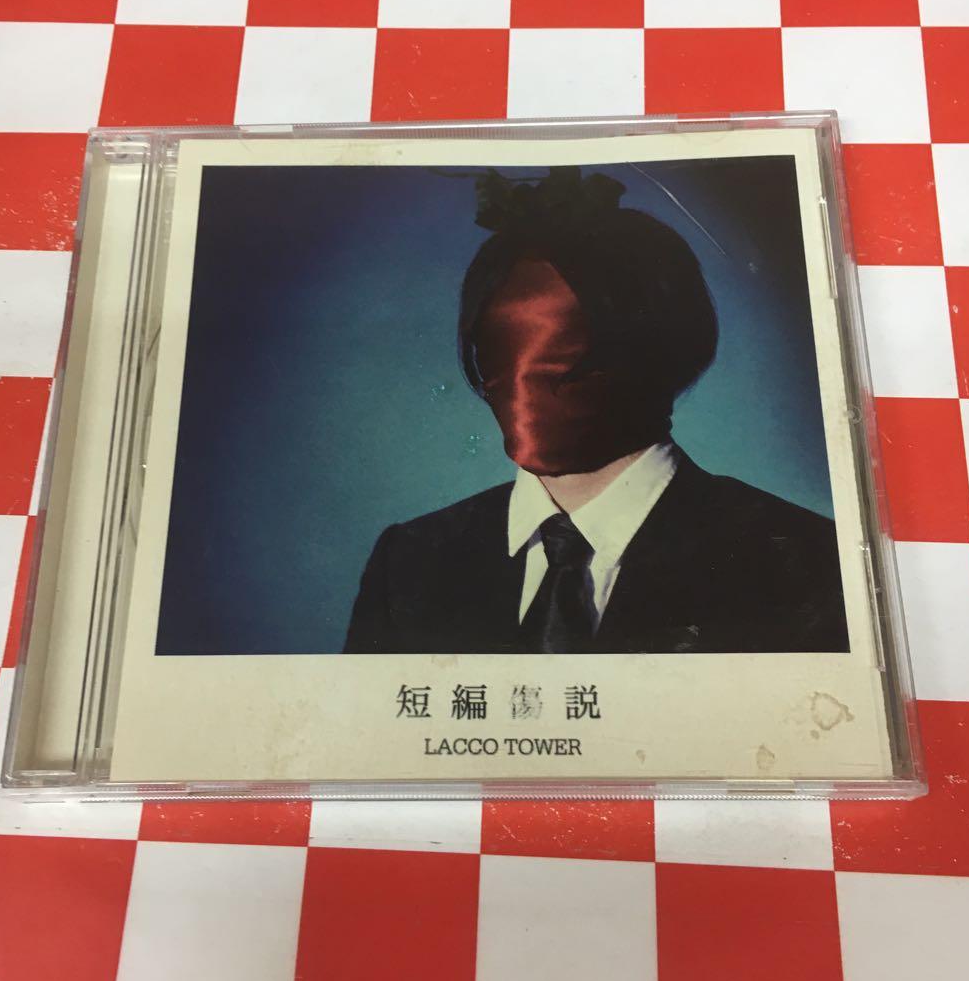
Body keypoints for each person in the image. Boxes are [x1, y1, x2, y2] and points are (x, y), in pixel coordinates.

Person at [344, 167, 849, 654]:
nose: (526, 381)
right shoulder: (410, 562)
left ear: (662, 345)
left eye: (568, 349)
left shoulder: (802, 562)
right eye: (499, 346)